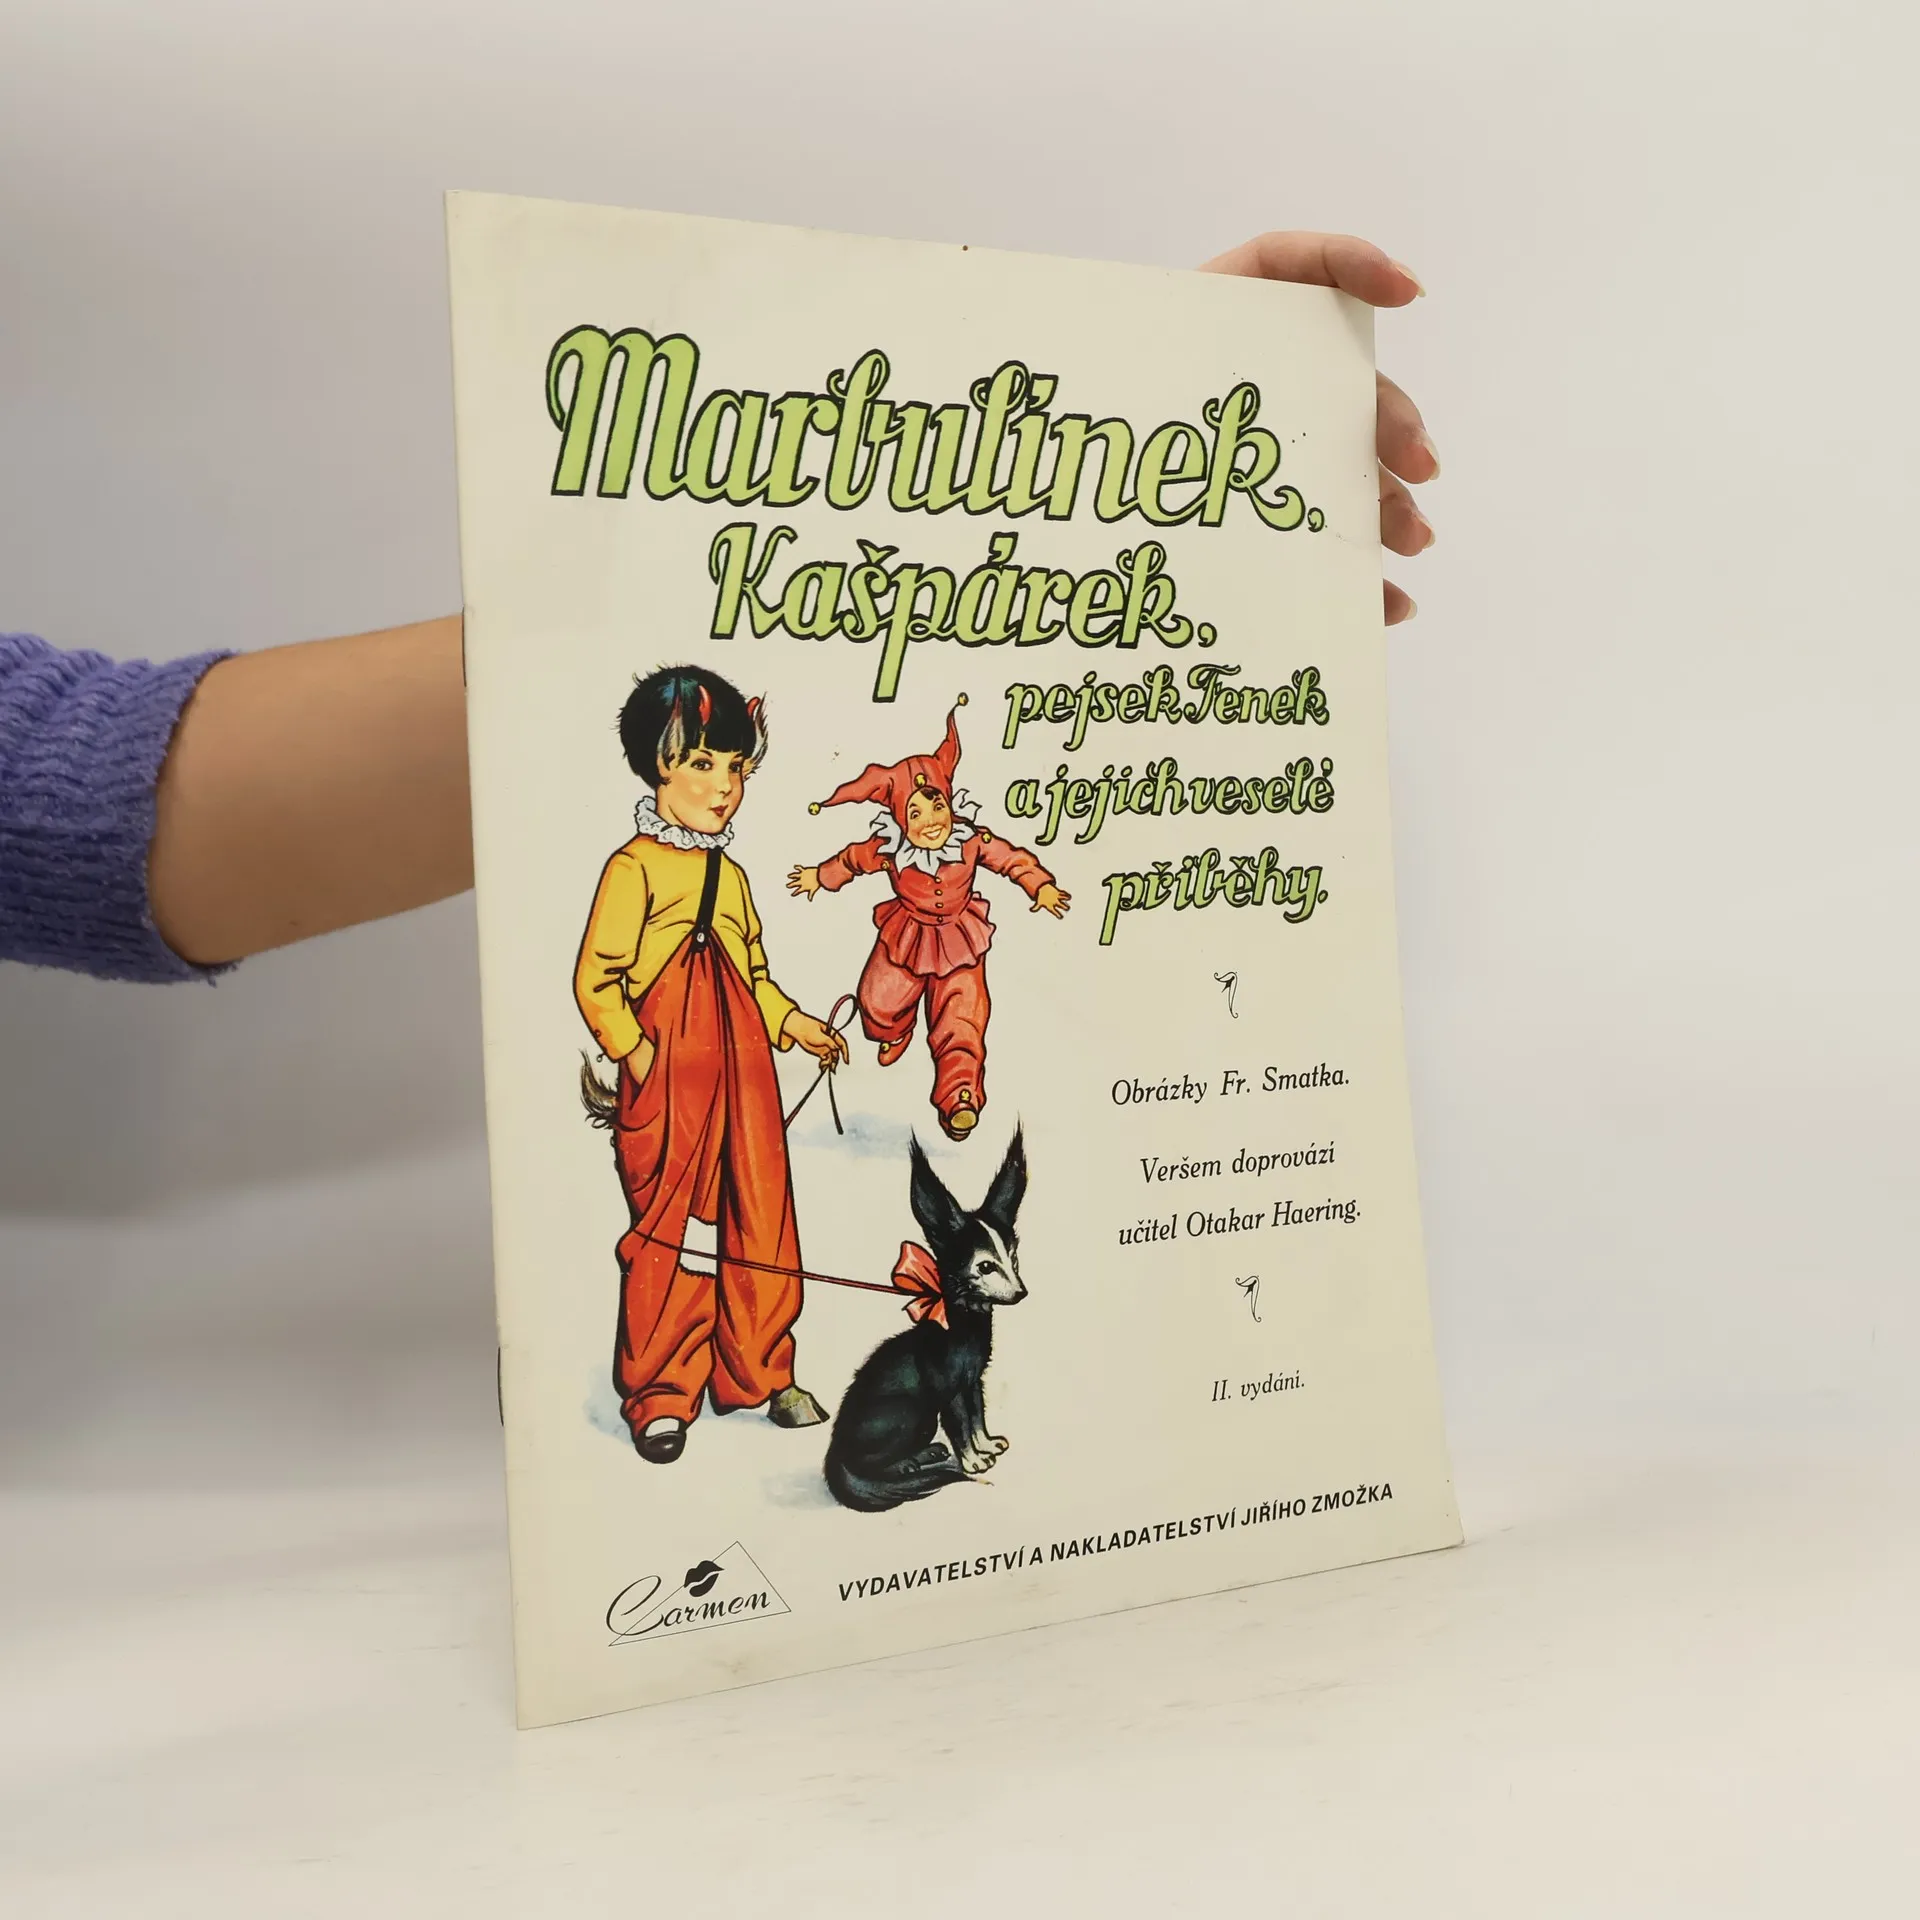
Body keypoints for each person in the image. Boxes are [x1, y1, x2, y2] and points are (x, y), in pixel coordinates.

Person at [0, 234, 1438, 984]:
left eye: (726, 763)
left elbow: (76, 788)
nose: (724, 784)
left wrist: (1049, 493)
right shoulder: (658, 873)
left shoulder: (780, 845)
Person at [572, 666, 847, 1463]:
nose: (725, 786)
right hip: (671, 1086)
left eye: (736, 767)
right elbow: (597, 981)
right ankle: (662, 1392)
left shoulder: (731, 877)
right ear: (659, 767)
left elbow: (753, 976)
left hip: (746, 1080)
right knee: (672, 1233)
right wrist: (640, 1055)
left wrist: (794, 1024)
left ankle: (762, 1373)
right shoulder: (633, 869)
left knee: (760, 1218)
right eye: (702, 763)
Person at [789, 698, 1068, 1141]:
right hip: (907, 935)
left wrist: (1040, 885)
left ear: (949, 803)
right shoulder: (889, 848)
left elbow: (1010, 858)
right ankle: (895, 1032)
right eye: (914, 814)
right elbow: (852, 860)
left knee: (963, 1015)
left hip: (961, 939)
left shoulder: (970, 840)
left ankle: (960, 1095)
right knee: (878, 1000)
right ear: (900, 818)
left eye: (936, 806)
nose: (930, 822)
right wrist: (818, 877)